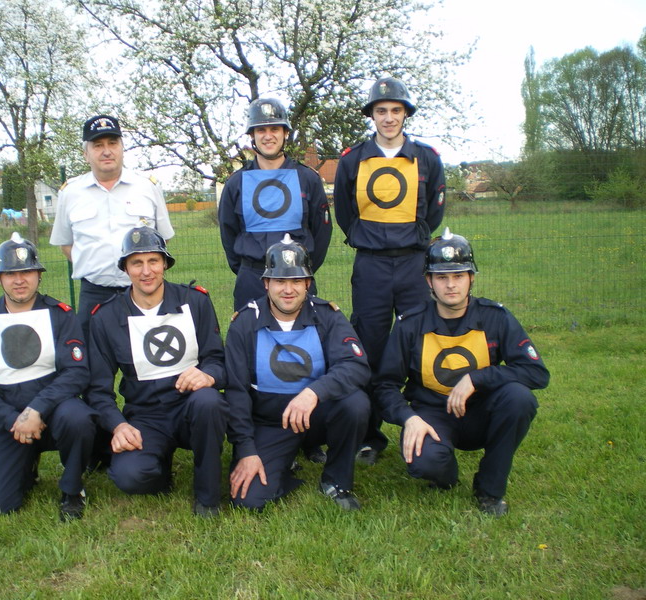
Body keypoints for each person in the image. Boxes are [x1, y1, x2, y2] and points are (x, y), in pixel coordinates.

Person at [375, 229, 549, 516]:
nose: (451, 285)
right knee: (426, 463)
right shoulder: (410, 324)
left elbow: (536, 373)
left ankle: (490, 489)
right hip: (432, 413)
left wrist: (477, 378)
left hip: (483, 411)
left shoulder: (496, 318)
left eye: (458, 276)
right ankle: (444, 471)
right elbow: (385, 385)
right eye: (441, 277)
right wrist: (409, 418)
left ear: (471, 278)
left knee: (520, 399)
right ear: (429, 281)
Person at [333, 76, 446, 465]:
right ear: (372, 115)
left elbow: (434, 210)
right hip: (371, 265)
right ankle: (370, 435)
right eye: (381, 111)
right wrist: (369, 237)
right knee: (370, 347)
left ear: (405, 114)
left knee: (419, 343)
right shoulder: (353, 159)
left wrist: (413, 236)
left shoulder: (426, 157)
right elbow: (344, 212)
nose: (389, 117)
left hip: (414, 263)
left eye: (396, 110)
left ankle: (427, 427)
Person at [86, 227, 228, 517]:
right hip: (146, 415)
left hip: (192, 406)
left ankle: (208, 496)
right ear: (125, 268)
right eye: (136, 263)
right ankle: (159, 470)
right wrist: (118, 426)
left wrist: (208, 376)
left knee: (209, 401)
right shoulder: (106, 317)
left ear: (165, 263)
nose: (146, 271)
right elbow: (97, 389)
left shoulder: (195, 301)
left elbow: (218, 359)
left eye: (153, 261)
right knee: (130, 477)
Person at [225, 234, 371, 511]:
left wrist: (313, 393)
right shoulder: (244, 323)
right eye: (280, 281)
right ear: (266, 283)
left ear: (308, 283)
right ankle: (283, 460)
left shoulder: (328, 316)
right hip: (270, 422)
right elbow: (236, 391)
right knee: (249, 500)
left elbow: (355, 366)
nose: (288, 290)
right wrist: (246, 450)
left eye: (296, 281)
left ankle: (336, 480)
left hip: (317, 416)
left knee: (355, 404)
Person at [0, 233, 97, 521]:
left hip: (56, 411)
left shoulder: (60, 315)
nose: (19, 280)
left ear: (39, 275)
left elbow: (76, 372)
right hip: (10, 422)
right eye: (10, 273)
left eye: (27, 272)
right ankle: (24, 466)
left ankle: (72, 489)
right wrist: (15, 420)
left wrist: (36, 409)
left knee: (79, 418)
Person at [50, 114, 175, 339]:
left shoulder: (147, 187)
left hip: (142, 292)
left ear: (122, 148)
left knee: (149, 356)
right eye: (98, 145)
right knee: (92, 359)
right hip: (94, 294)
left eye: (112, 143)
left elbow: (162, 239)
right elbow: (66, 245)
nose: (106, 151)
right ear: (85, 154)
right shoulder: (70, 193)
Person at [219, 98, 332, 312]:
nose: (268, 136)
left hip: (297, 278)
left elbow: (322, 232)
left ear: (285, 133)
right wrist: (248, 268)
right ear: (252, 135)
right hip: (251, 279)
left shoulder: (308, 178)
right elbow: (228, 232)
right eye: (261, 130)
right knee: (249, 333)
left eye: (274, 129)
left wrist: (300, 270)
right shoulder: (236, 183)